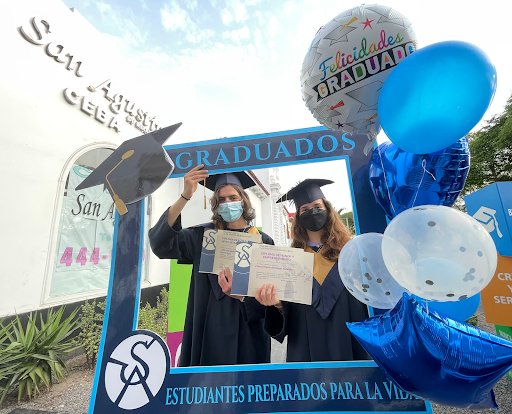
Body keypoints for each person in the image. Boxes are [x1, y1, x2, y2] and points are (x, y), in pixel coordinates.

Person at [148, 165, 274, 366]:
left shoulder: (262, 241)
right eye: (222, 200)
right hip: (208, 330)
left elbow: (270, 298)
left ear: (244, 201)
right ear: (215, 204)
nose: (227, 203)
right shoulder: (201, 237)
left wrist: (244, 296)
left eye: (233, 198)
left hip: (250, 331)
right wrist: (185, 196)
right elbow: (160, 244)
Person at [255, 179, 370, 362]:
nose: (312, 212)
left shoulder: (351, 251)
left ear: (328, 210)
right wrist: (277, 305)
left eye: (317, 206)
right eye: (305, 210)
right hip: (305, 344)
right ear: (298, 217)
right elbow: (286, 308)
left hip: (349, 339)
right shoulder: (290, 259)